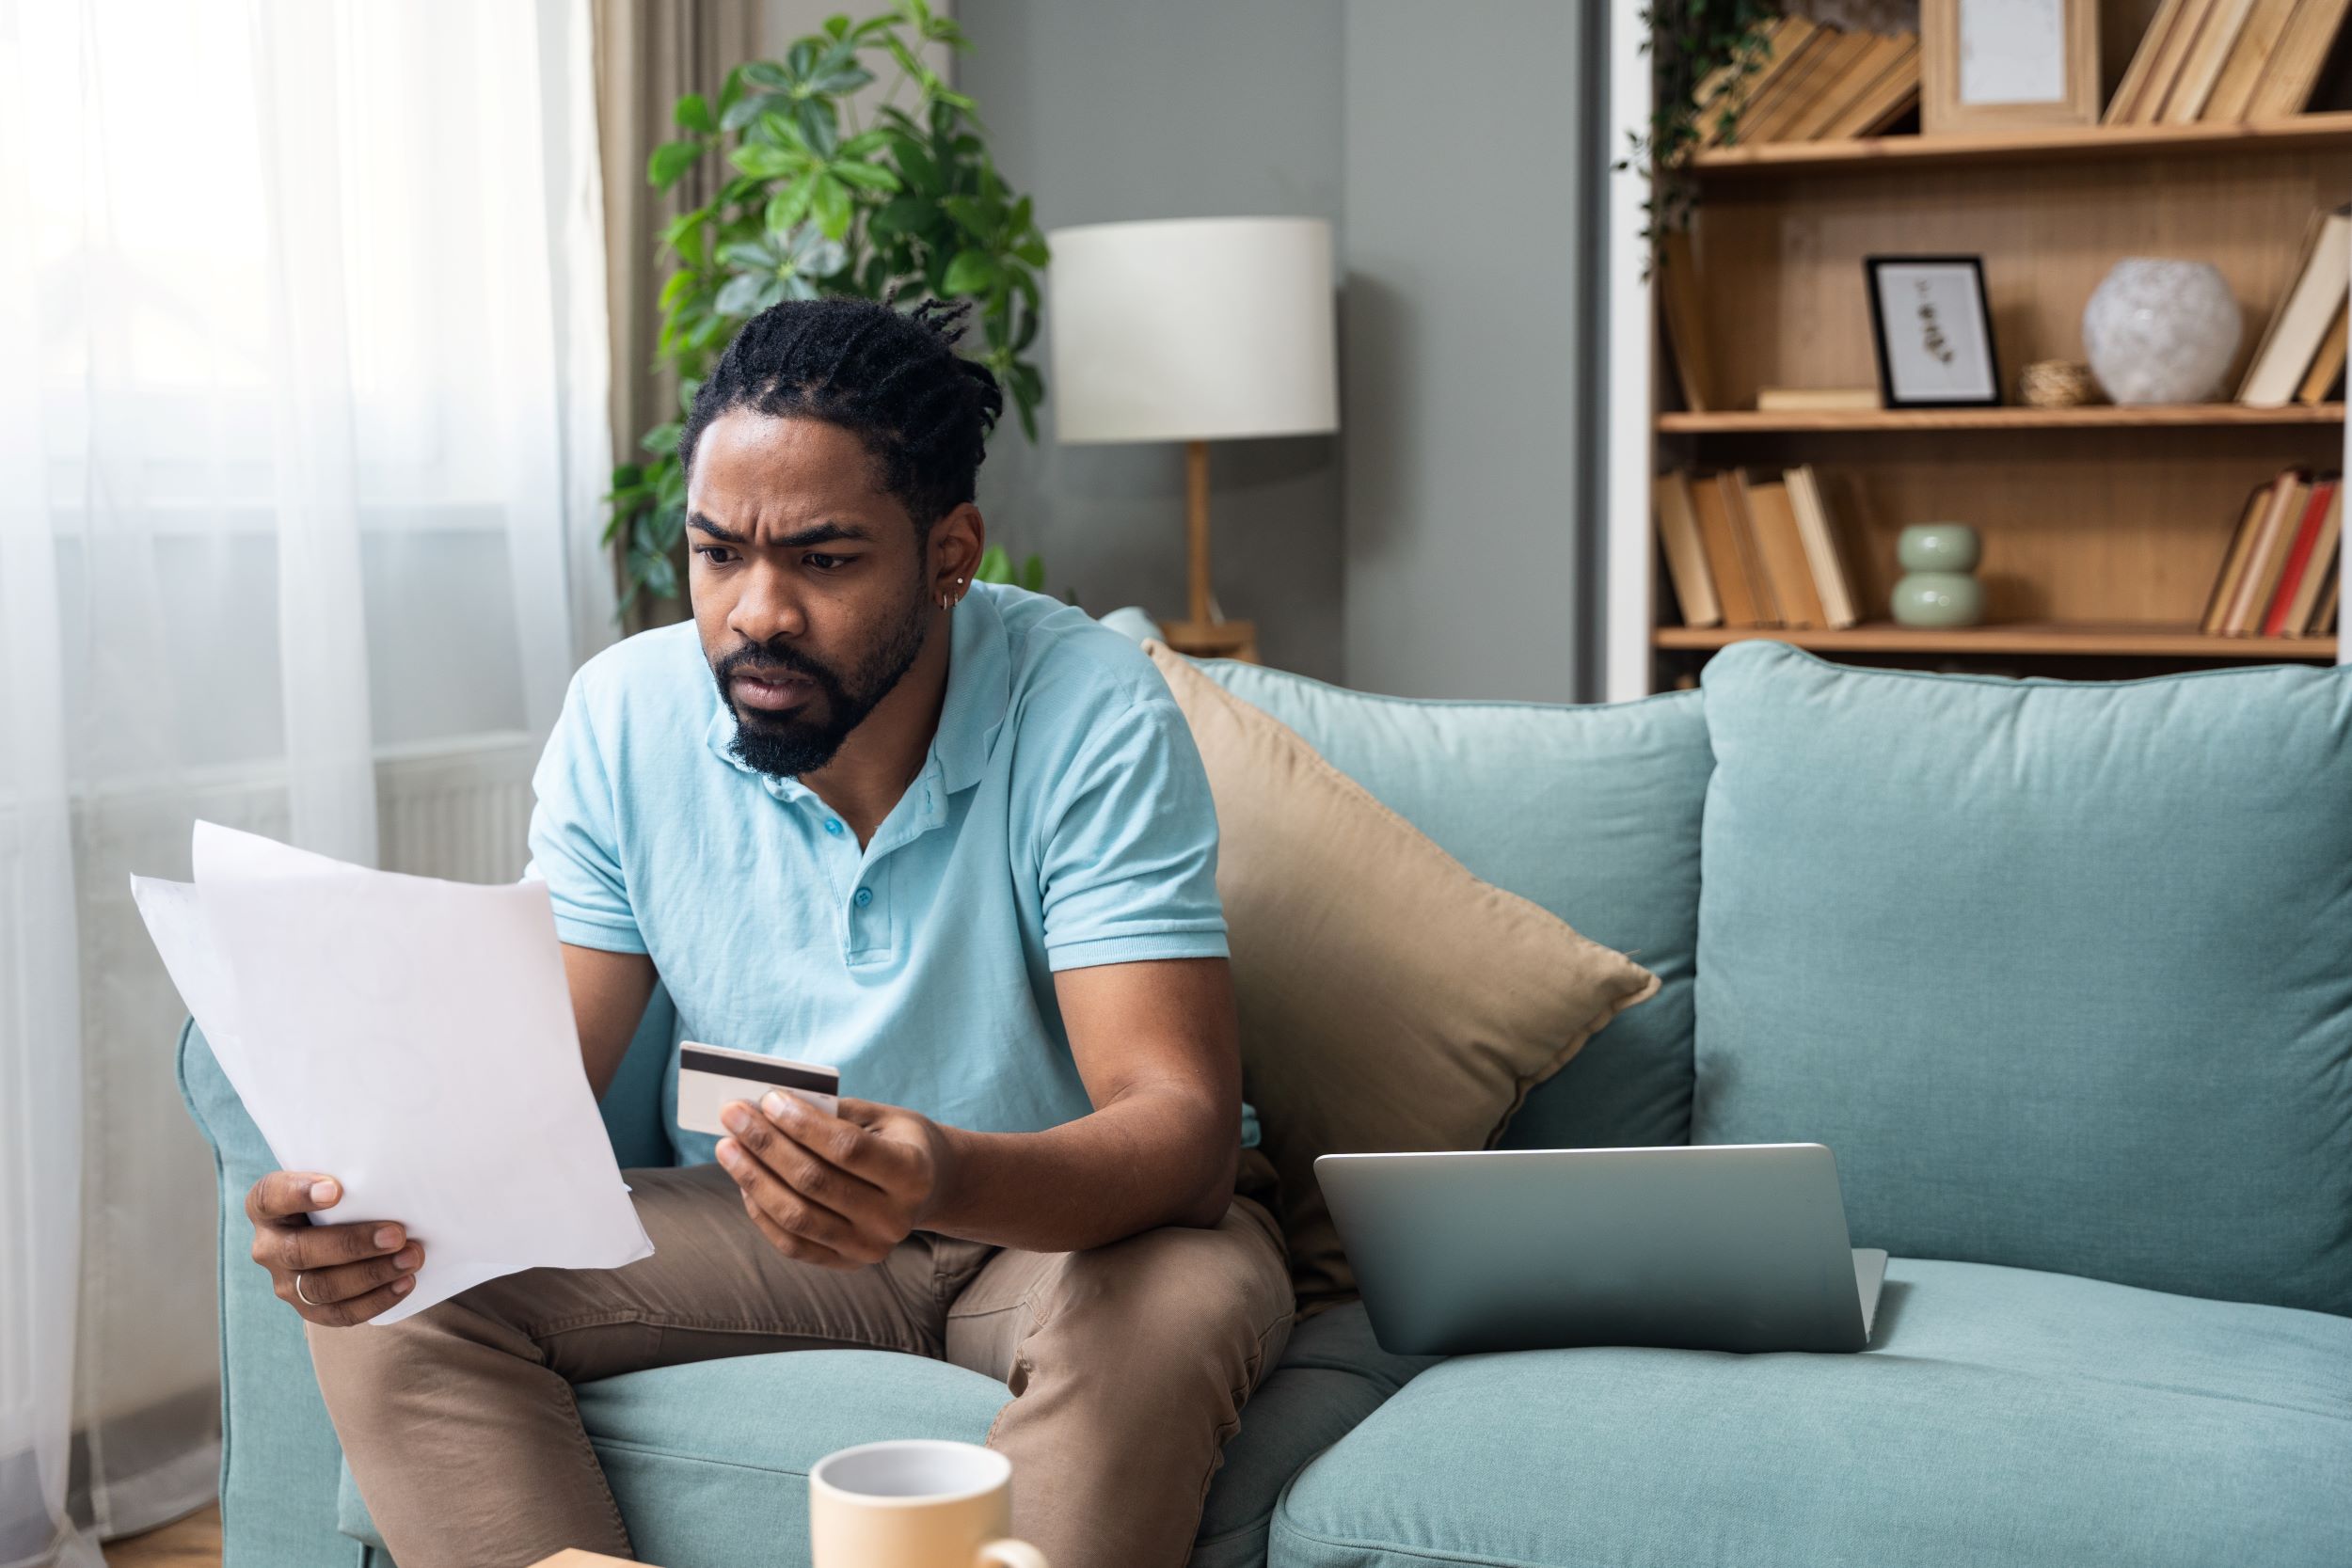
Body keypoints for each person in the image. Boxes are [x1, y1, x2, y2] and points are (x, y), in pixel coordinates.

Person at [233, 296, 1293, 1568]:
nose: (756, 612)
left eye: (825, 559)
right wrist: (373, 1204)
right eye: (717, 553)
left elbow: (1177, 1132)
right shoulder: (626, 717)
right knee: (403, 1284)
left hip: (1067, 1233)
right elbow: (535, 1093)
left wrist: (942, 1171)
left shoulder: (1089, 711)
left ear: (951, 553)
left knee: (1185, 1298)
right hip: (769, 1230)